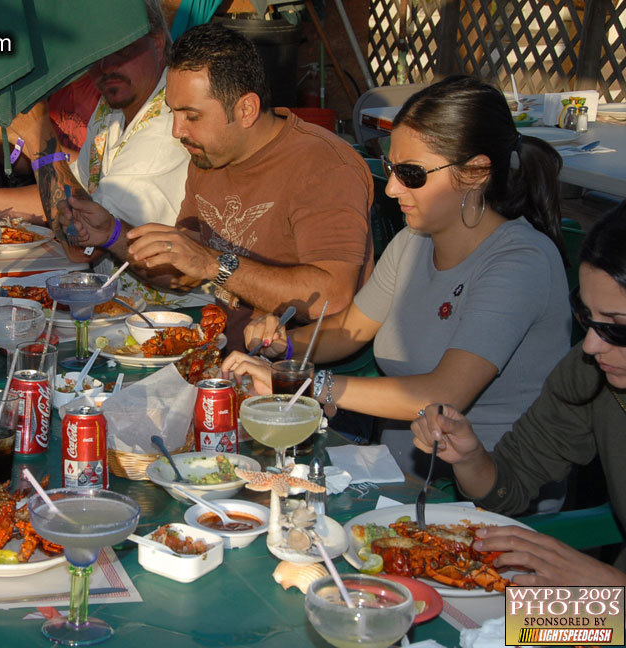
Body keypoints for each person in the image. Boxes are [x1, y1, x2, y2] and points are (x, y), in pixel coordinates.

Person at [223, 75, 571, 482]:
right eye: (390, 167)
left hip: (486, 495)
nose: (391, 188)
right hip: (393, 476)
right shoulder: (414, 241)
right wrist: (280, 342)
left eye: (412, 173)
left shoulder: (520, 262)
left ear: (476, 172)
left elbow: (442, 395)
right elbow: (348, 330)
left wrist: (305, 384)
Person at [63, 22, 374, 346]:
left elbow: (332, 296)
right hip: (216, 352)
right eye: (172, 113)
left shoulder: (323, 166)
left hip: (288, 373)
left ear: (246, 109)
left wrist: (213, 264)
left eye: (191, 116)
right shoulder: (209, 155)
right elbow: (182, 270)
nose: (176, 130)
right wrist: (113, 234)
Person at [410, 201, 626, 586]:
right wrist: (472, 459)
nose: (591, 344)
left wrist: (607, 585)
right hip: (604, 610)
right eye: (586, 316)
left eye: (617, 326)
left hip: (610, 603)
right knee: (474, 627)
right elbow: (509, 485)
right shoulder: (590, 372)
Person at [0, 0, 189, 263]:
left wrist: (40, 140)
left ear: (157, 42)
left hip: (147, 304)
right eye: (94, 54)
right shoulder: (117, 107)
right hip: (104, 292)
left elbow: (82, 246)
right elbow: (70, 197)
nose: (106, 66)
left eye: (122, 50)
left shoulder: (168, 121)